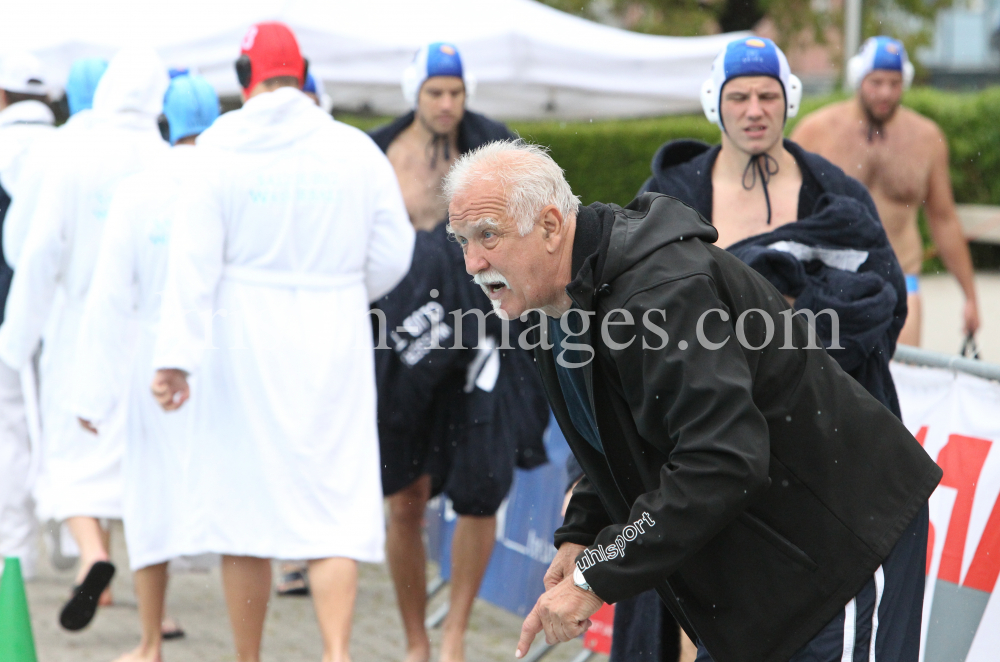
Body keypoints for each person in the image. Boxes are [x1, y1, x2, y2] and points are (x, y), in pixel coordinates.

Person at [444, 140, 941, 662]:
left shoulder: (658, 292)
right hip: (768, 573)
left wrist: (595, 578)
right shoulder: (558, 299)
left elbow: (722, 460)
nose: (473, 262)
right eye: (462, 240)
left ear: (549, 226)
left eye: (489, 236)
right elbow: (622, 432)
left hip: (843, 545)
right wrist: (582, 535)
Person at [148, 22, 414, 662]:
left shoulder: (219, 148)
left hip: (243, 336)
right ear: (302, 73)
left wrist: (174, 359)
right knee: (333, 505)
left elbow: (192, 262)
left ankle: (248, 658)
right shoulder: (353, 150)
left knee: (245, 510)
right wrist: (341, 288)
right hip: (333, 333)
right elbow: (394, 252)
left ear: (246, 79)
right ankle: (337, 651)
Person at [369, 42, 549, 662]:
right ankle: (416, 639)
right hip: (404, 329)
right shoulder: (378, 154)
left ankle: (455, 636)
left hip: (481, 327)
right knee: (404, 496)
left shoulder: (494, 148)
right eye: (435, 93)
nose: (447, 105)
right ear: (413, 96)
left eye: (456, 93)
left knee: (481, 484)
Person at [0, 47, 169, 630]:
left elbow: (36, 251)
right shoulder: (168, 160)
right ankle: (155, 617)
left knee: (72, 457)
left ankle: (92, 557)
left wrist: (15, 341)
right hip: (150, 330)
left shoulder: (73, 158)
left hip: (78, 329)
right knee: (144, 464)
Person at [72, 72, 219, 662]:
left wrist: (92, 397)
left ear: (167, 122)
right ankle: (250, 642)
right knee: (232, 500)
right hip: (223, 356)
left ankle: (151, 640)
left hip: (155, 361)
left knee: (148, 502)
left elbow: (108, 299)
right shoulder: (227, 181)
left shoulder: (140, 190)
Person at [791, 36, 978, 347]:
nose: (886, 93)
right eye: (876, 82)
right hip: (830, 280)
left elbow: (943, 219)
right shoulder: (816, 131)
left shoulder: (927, 138)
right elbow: (788, 208)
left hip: (901, 277)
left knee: (902, 384)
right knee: (831, 387)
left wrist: (970, 296)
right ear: (858, 79)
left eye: (895, 83)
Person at [0, 52, 55, 582]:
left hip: (4, 316)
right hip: (66, 318)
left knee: (10, 433)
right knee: (64, 424)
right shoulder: (71, 148)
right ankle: (75, 539)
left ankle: (16, 556)